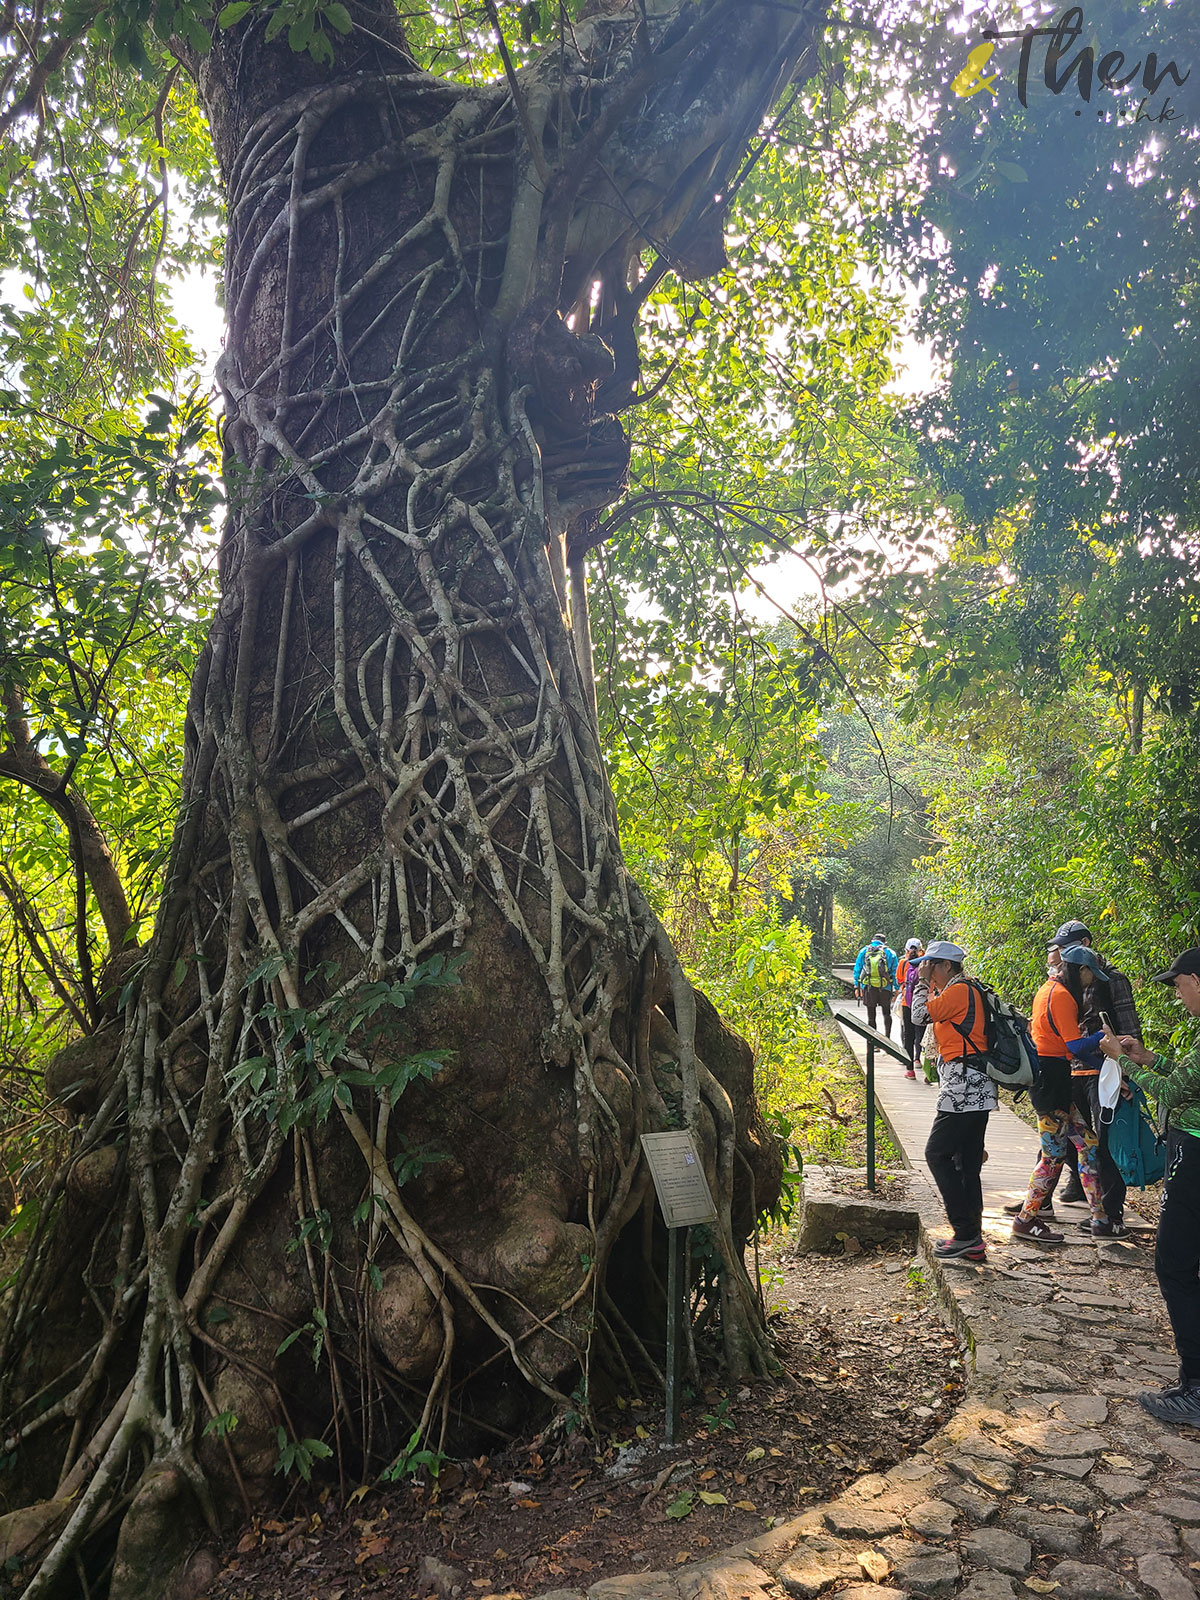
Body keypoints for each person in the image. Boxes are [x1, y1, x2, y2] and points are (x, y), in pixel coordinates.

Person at [1100, 947, 1200, 1425]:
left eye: (1179, 985)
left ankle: (1196, 1388)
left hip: (1195, 1157)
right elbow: (1186, 1078)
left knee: (1175, 1264)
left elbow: (1173, 1092)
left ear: (1196, 981)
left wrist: (1124, 1061)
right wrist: (1147, 1056)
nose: (1178, 996)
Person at [1008, 947, 1109, 1243]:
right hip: (1050, 1082)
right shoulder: (1062, 996)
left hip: (1055, 1079)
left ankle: (1100, 1218)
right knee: (1052, 1156)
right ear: (1079, 970)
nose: (1091, 982)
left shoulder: (1050, 989)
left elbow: (1069, 1047)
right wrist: (1103, 1037)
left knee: (1088, 1144)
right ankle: (1026, 1219)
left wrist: (1108, 1070)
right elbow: (1076, 1046)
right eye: (1090, 975)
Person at [913, 941, 996, 1261]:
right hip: (975, 1086)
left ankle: (965, 1232)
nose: (928, 971)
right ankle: (971, 1236)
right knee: (966, 1162)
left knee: (936, 1153)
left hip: (964, 1088)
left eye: (931, 965)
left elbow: (919, 1014)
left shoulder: (959, 991)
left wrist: (919, 982)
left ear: (946, 966)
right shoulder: (966, 989)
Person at [853, 934, 898, 1038]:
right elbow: (895, 972)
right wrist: (896, 988)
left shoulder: (864, 951)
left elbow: (857, 969)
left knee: (871, 1016)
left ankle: (873, 1042)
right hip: (885, 986)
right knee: (886, 1013)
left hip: (869, 987)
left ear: (872, 941)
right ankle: (888, 1040)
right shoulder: (890, 953)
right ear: (884, 942)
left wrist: (857, 986)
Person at [897, 938, 924, 1079]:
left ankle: (910, 1070)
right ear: (921, 950)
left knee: (909, 1035)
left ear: (906, 951)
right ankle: (919, 1059)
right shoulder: (926, 963)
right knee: (921, 1034)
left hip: (906, 1002)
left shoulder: (903, 963)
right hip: (923, 1004)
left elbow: (899, 980)